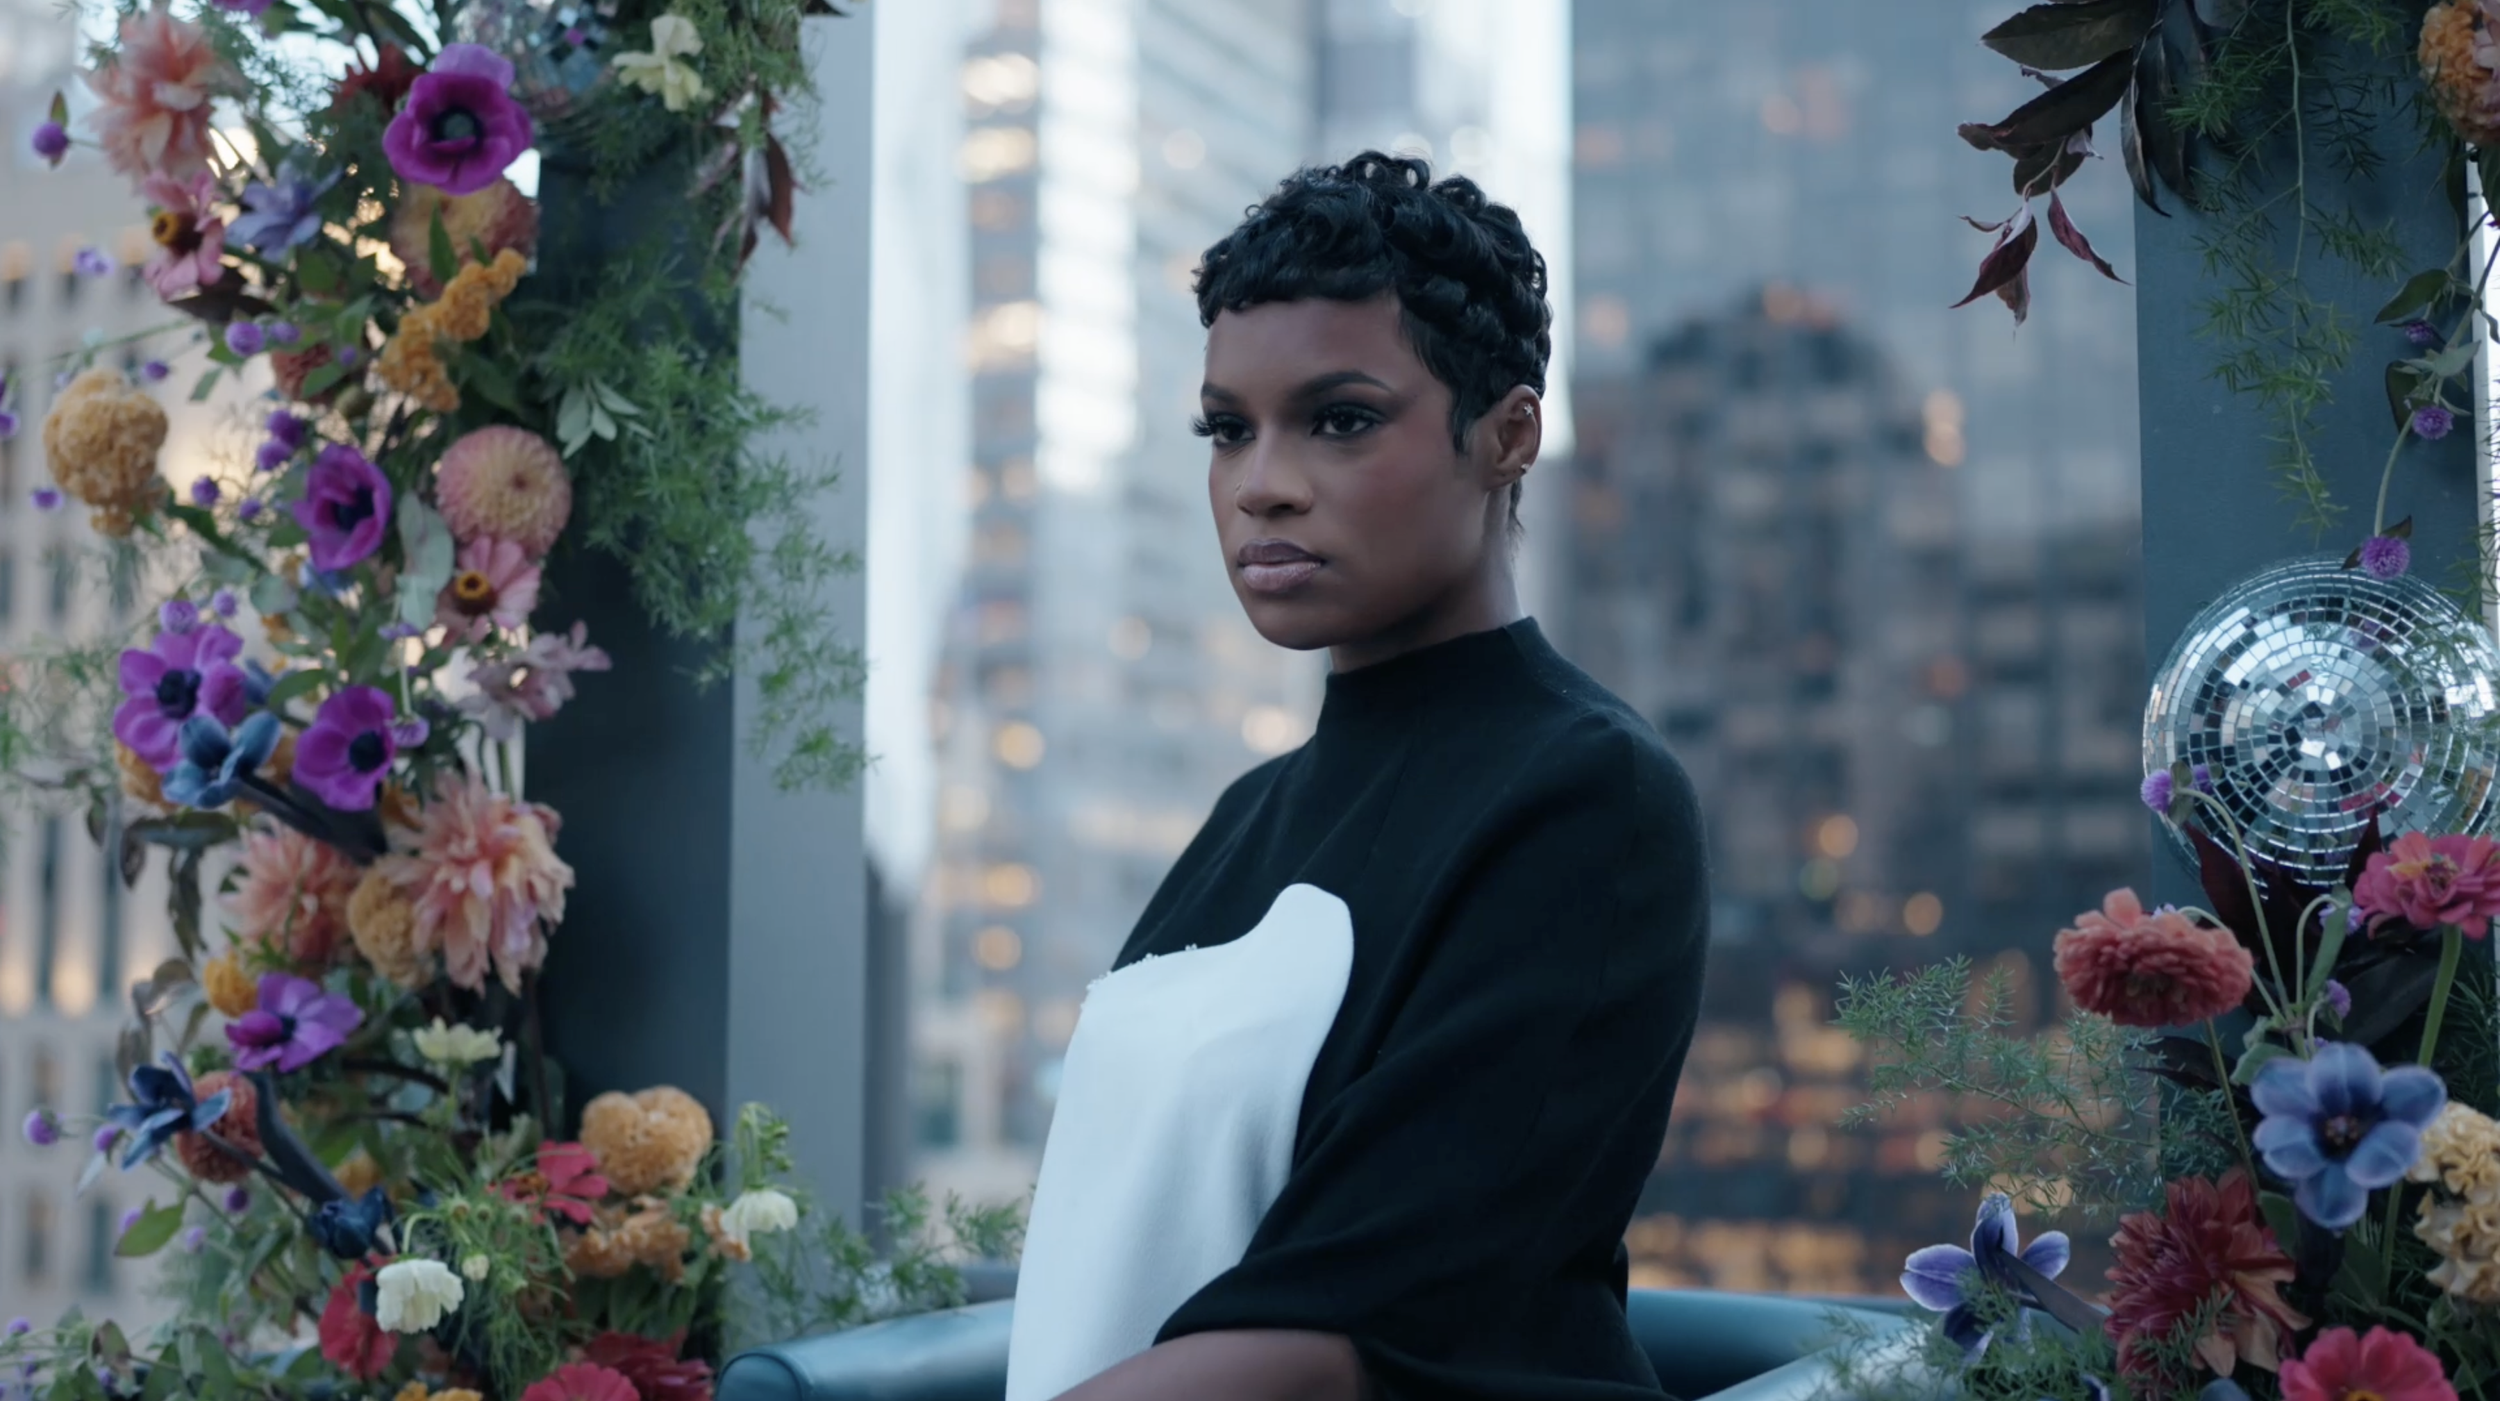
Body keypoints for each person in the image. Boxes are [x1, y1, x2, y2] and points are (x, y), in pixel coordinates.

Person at [1002, 151, 1711, 1401]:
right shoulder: (1247, 816)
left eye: (1338, 418)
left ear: (1507, 434)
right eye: (1227, 430)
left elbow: (1360, 1327)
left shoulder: (1587, 796)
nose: (1261, 483)